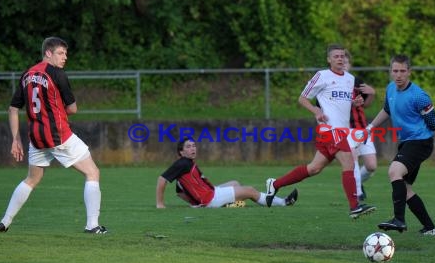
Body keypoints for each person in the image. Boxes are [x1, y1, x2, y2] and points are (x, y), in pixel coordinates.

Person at [0, 37, 107, 234]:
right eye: (61, 53)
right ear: (48, 53)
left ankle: (4, 222)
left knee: (31, 179)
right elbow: (73, 108)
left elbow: (13, 109)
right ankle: (92, 225)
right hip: (58, 135)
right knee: (92, 172)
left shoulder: (27, 74)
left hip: (36, 138)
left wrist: (15, 139)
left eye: (66, 54)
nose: (65, 58)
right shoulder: (57, 74)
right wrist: (58, 112)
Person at [264, 44, 376, 218]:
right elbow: (302, 98)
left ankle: (275, 184)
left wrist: (355, 103)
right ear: (329, 59)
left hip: (341, 131)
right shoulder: (322, 76)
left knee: (314, 168)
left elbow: (342, 103)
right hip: (329, 130)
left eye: (342, 56)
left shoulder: (349, 79)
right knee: (349, 162)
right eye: (336, 56)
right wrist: (316, 110)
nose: (340, 58)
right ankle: (354, 207)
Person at [366, 54, 435, 236]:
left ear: (409, 72)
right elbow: (386, 110)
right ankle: (430, 228)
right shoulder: (390, 89)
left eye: (402, 71)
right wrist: (370, 127)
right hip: (406, 143)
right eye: (395, 71)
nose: (398, 75)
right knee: (405, 189)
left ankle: (399, 219)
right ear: (391, 72)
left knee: (394, 171)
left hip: (421, 143)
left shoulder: (420, 96)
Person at [156, 138, 298, 208]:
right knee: (250, 191)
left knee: (235, 183)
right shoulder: (182, 163)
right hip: (211, 199)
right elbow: (162, 179)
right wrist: (160, 204)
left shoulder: (185, 164)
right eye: (188, 147)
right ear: (181, 152)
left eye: (194, 146)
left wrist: (195, 204)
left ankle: (231, 205)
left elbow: (180, 192)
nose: (193, 149)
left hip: (210, 194)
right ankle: (283, 202)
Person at [343, 51, 378, 202]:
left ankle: (359, 184)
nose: (343, 64)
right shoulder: (329, 83)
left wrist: (372, 94)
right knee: (353, 157)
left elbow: (366, 104)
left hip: (362, 128)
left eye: (346, 62)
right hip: (345, 129)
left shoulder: (356, 82)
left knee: (371, 166)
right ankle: (356, 194)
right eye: (340, 61)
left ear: (350, 64)